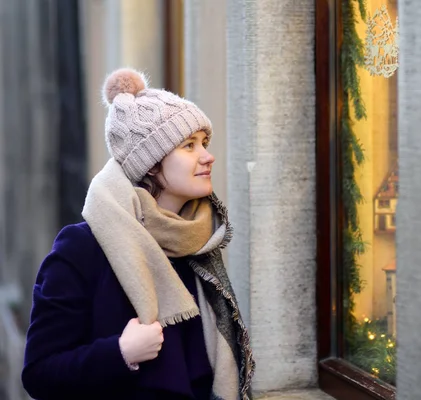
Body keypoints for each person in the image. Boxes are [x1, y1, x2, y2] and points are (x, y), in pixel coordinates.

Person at [21, 68, 255, 400]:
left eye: (204, 142)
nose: (207, 156)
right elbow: (40, 373)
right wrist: (120, 353)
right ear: (151, 163)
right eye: (189, 145)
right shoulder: (83, 247)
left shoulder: (197, 243)